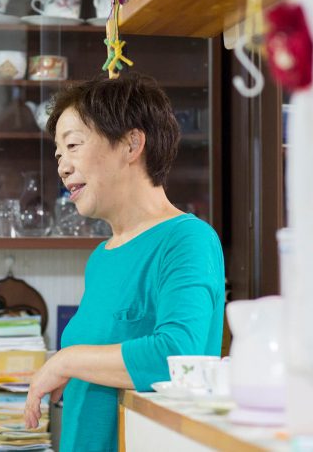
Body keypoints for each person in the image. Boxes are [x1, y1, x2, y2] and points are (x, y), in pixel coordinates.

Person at [23, 73, 225, 451]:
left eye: (73, 145)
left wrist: (65, 361)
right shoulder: (101, 258)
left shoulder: (187, 239)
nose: (62, 166)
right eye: (58, 154)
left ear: (132, 144)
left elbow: (178, 356)